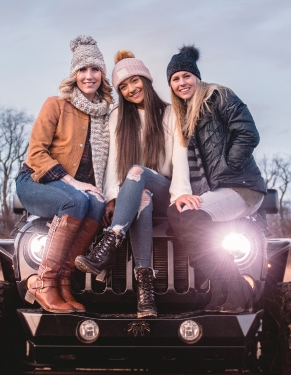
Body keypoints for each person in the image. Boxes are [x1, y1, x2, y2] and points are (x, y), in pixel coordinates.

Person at [75, 50, 190, 318]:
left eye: (134, 81)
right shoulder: (118, 117)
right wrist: (112, 197)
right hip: (138, 194)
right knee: (142, 198)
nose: (130, 89)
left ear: (146, 80)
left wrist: (181, 193)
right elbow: (114, 162)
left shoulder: (172, 113)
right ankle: (145, 291)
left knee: (139, 173)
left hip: (166, 189)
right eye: (123, 87)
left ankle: (110, 243)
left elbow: (180, 155)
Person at [165, 45, 267, 313]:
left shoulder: (218, 95)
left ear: (196, 77)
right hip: (218, 191)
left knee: (188, 217)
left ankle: (236, 289)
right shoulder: (186, 113)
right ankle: (221, 291)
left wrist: (229, 166)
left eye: (186, 76)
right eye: (175, 79)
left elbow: (248, 133)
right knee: (179, 214)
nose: (181, 82)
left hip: (241, 187)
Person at [15, 35, 112, 314]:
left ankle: (63, 281)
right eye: (82, 70)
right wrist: (72, 182)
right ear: (74, 75)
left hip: (78, 191)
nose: (89, 76)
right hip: (36, 181)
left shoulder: (106, 115)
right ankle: (44, 282)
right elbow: (35, 154)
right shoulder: (56, 105)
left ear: (102, 75)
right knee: (77, 201)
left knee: (94, 202)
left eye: (94, 69)